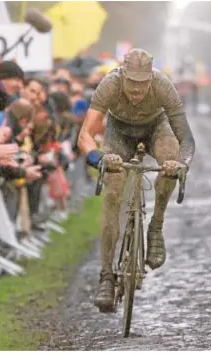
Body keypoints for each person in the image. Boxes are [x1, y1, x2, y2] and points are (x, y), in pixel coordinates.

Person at [77, 48, 195, 312]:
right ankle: (106, 275)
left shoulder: (164, 86)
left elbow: (186, 138)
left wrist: (181, 164)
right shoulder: (110, 84)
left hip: (157, 127)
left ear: (151, 78)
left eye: (143, 83)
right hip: (119, 131)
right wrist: (99, 159)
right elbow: (85, 135)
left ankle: (156, 225)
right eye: (132, 82)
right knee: (113, 188)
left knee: (169, 159)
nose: (137, 90)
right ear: (123, 75)